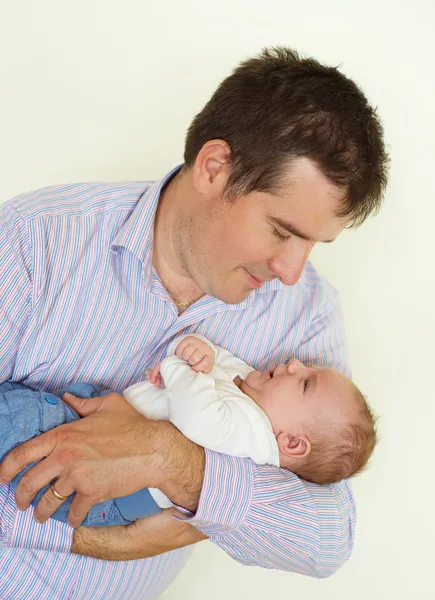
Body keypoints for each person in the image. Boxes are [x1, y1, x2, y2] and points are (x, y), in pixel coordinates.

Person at [0, 46, 388, 599]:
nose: (292, 271)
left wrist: (175, 462)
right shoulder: (33, 243)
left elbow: (328, 536)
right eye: (283, 231)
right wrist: (99, 541)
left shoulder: (304, 316)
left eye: (314, 245)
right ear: (214, 168)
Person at [0, 333, 377, 529]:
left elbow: (197, 419)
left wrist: (178, 367)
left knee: (18, 421)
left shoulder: (253, 436)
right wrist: (203, 353)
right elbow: (218, 365)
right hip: (94, 430)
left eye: (305, 383)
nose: (295, 364)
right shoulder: (251, 391)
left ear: (292, 442)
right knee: (21, 409)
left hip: (106, 492)